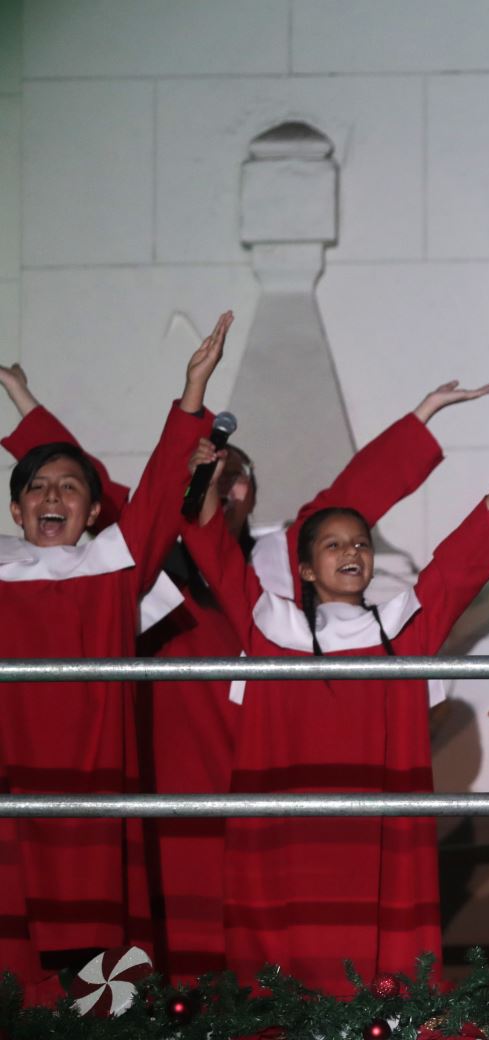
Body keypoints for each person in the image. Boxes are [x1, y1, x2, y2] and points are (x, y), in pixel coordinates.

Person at [181, 417, 489, 994]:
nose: (351, 551)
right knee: (283, 949)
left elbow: (457, 568)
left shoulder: (404, 627)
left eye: (360, 543)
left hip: (375, 827)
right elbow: (210, 548)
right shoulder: (269, 625)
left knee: (381, 959)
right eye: (333, 544)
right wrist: (205, 476)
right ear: (303, 567)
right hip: (288, 828)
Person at [0, 313, 232, 1001]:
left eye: (70, 487)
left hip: (97, 770)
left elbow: (163, 490)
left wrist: (191, 392)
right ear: (16, 513)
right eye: (37, 488)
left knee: (101, 943)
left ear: (93, 511)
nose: (52, 497)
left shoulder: (113, 565)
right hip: (13, 766)